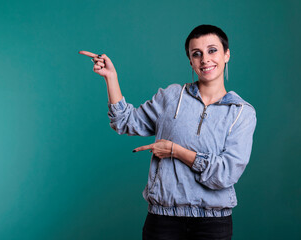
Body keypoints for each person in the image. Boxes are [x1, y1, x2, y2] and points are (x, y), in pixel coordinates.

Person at [79, 24, 257, 240]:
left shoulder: (241, 112)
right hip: (163, 220)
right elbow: (125, 122)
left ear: (226, 54)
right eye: (196, 54)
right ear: (190, 61)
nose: (205, 59)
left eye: (212, 50)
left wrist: (176, 151)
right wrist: (111, 77)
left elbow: (225, 174)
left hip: (213, 223)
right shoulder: (172, 96)